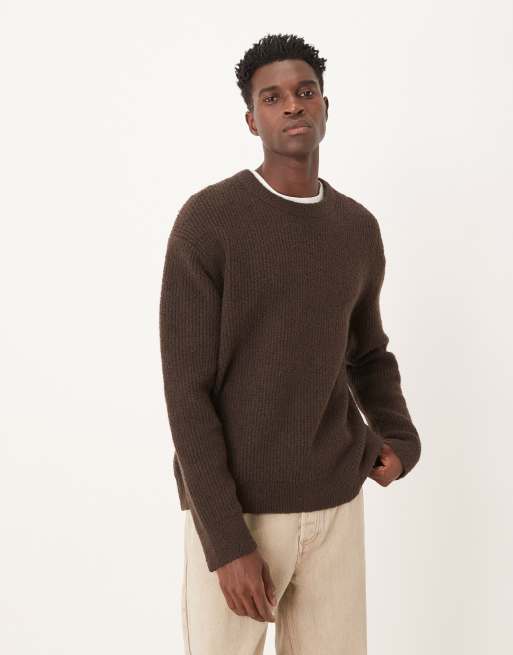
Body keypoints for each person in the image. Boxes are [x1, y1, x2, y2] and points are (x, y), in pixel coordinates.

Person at [159, 32, 421, 655]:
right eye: (272, 98)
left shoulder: (356, 228)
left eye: (305, 92)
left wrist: (399, 435)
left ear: (326, 106)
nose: (293, 105)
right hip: (239, 514)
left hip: (335, 504)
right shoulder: (209, 222)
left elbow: (368, 353)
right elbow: (186, 394)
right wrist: (226, 542)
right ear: (252, 120)